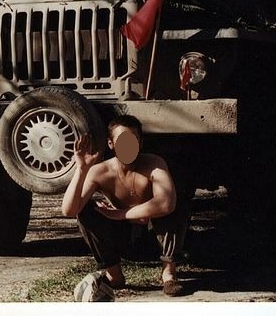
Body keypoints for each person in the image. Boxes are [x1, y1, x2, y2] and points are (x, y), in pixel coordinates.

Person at [61, 115, 186, 296]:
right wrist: (81, 169)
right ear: (111, 144)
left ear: (140, 142)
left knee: (176, 201)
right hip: (123, 240)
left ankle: (168, 274)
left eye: (132, 140)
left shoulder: (154, 164)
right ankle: (115, 276)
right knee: (86, 210)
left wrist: (122, 213)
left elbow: (166, 203)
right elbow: (69, 210)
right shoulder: (100, 171)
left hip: (153, 239)